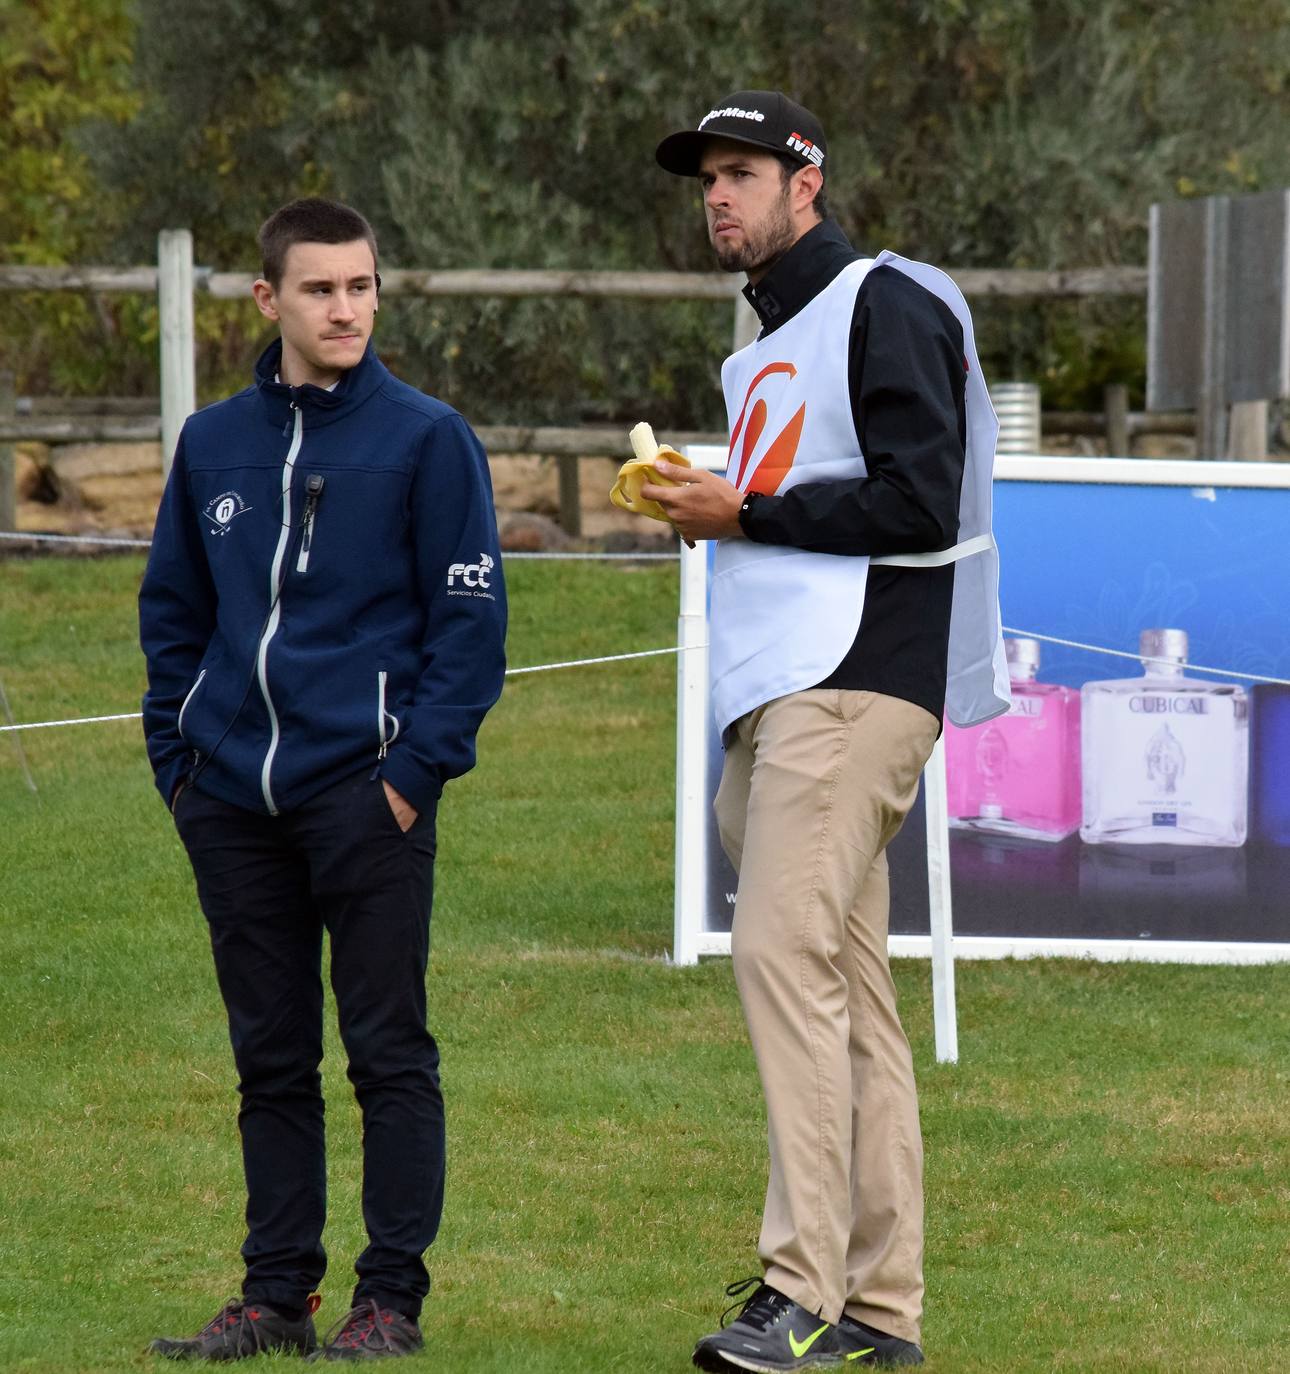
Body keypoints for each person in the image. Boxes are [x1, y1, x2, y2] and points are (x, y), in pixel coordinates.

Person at [646, 93, 1009, 1371]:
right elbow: (805, 494)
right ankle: (882, 1312)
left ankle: (795, 1290)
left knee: (777, 957)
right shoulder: (773, 333)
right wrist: (715, 501)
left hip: (853, 682)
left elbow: (916, 497)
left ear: (810, 179)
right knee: (851, 1001)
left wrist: (739, 510)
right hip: (793, 686)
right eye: (708, 179)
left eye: (742, 173)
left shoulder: (882, 298)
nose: (719, 197)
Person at [139, 197, 506, 1361]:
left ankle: (388, 1300)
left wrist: (410, 778)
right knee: (269, 1059)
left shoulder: (428, 439)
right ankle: (274, 1296)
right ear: (268, 300)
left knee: (389, 1053)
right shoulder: (210, 445)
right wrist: (180, 763)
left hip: (369, 797)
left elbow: (470, 630)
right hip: (231, 801)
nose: (343, 308)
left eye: (360, 287)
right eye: (319, 289)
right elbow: (173, 615)